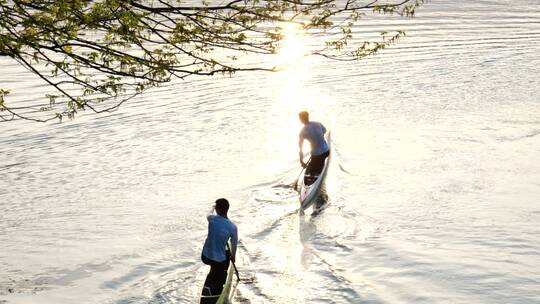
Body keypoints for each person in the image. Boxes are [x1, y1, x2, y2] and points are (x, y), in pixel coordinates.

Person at [201, 198, 238, 294]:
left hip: (205, 256)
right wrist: (233, 256)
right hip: (218, 261)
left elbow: (208, 213)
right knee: (222, 273)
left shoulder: (211, 219)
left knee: (217, 262)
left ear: (218, 210)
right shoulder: (233, 227)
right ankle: (212, 288)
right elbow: (234, 244)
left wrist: (213, 206)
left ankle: (212, 274)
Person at [298, 111, 329, 183]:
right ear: (308, 117)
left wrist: (301, 161)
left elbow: (301, 148)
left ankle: (312, 177)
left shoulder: (302, 132)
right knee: (316, 162)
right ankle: (318, 168)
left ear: (301, 120)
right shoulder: (317, 123)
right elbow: (324, 131)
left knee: (312, 170)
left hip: (317, 155)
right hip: (326, 151)